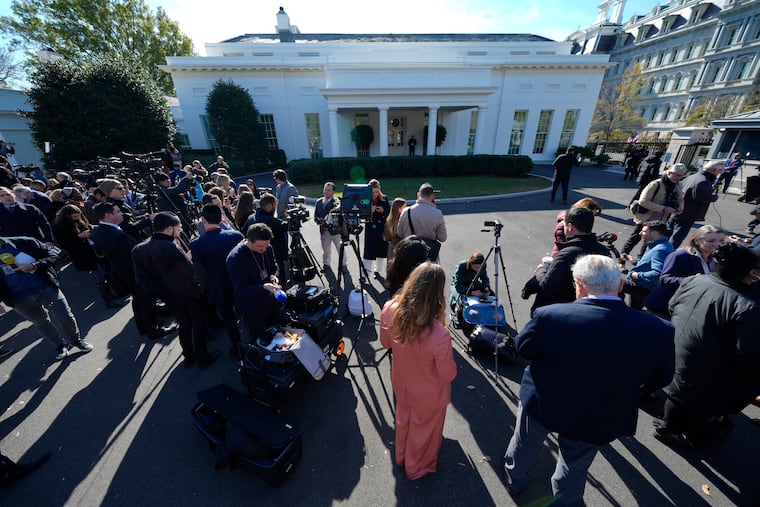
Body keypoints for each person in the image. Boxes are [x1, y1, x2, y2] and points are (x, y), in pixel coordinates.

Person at [503, 254, 675, 504]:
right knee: (575, 465)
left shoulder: (550, 316)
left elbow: (524, 349)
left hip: (544, 401)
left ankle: (514, 480)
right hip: (602, 412)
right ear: (619, 286)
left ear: (578, 284)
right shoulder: (659, 329)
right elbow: (662, 377)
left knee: (524, 444)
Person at [654, 243, 760, 449]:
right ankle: (680, 429)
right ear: (751, 273)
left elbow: (672, 306)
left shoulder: (696, 280)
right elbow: (747, 354)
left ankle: (672, 424)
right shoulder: (748, 306)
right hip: (702, 378)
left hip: (671, 354)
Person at [379, 262, 457, 480]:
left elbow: (385, 344)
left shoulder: (389, 310)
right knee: (423, 432)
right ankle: (416, 467)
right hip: (429, 394)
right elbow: (448, 374)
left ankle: (401, 457)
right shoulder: (439, 335)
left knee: (403, 420)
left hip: (402, 382)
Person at [132, 212, 217, 368]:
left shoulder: (138, 249)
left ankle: (188, 355)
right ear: (170, 229)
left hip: (167, 296)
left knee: (183, 324)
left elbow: (141, 279)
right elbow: (189, 273)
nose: (179, 231)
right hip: (189, 294)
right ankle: (202, 356)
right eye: (178, 229)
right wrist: (190, 263)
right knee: (198, 324)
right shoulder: (171, 248)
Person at [0, 236, 93, 360]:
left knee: (64, 315)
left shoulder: (24, 242)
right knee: (41, 323)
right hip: (18, 298)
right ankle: (60, 345)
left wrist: (34, 265)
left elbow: (53, 254)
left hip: (45, 287)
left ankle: (75, 340)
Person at [91, 202, 174, 338]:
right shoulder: (117, 235)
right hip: (134, 273)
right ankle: (153, 330)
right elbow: (131, 257)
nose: (121, 213)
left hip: (121, 273)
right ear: (108, 215)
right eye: (117, 211)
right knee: (147, 301)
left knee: (138, 300)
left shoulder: (98, 231)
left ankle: (143, 327)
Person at [529, 206, 609, 315]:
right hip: (594, 311)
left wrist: (541, 270)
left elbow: (547, 287)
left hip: (561, 312)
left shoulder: (565, 255)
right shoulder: (604, 251)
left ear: (570, 227)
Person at [190, 204, 245, 356]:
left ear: (203, 220)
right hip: (239, 283)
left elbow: (200, 271)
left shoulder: (196, 244)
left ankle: (237, 346)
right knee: (246, 312)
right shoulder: (236, 235)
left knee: (228, 319)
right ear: (221, 219)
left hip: (217, 287)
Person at [644, 225, 725, 317]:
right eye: (711, 241)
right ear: (697, 240)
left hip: (686, 309)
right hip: (664, 307)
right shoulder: (680, 255)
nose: (717, 244)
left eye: (721, 241)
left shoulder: (714, 258)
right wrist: (691, 280)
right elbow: (665, 279)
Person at [226, 223, 282, 341]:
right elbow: (240, 289)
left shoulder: (267, 248)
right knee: (259, 336)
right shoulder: (236, 258)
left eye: (267, 245)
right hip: (251, 305)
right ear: (248, 241)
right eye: (260, 246)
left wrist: (273, 276)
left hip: (269, 298)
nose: (264, 249)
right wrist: (263, 287)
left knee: (275, 330)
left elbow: (274, 266)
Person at [622, 164, 686, 259]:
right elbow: (643, 201)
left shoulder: (678, 185)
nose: (679, 178)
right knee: (635, 238)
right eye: (677, 175)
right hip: (646, 217)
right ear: (669, 173)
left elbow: (680, 199)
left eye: (682, 176)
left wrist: (680, 208)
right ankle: (622, 260)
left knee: (651, 242)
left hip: (661, 219)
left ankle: (641, 262)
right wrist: (663, 208)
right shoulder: (656, 184)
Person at [620, 222, 673, 309]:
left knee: (614, 284)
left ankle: (617, 309)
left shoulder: (659, 250)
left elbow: (658, 273)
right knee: (635, 309)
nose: (640, 233)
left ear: (654, 233)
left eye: (644, 231)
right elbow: (651, 264)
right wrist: (634, 261)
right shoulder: (664, 245)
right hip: (646, 285)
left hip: (643, 285)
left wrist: (638, 275)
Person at [669, 161, 722, 248]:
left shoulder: (693, 176)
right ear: (713, 170)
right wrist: (714, 197)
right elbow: (700, 198)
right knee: (676, 239)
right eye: (719, 171)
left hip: (677, 210)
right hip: (687, 213)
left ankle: (658, 254)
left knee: (666, 235)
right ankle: (665, 257)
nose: (720, 173)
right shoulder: (703, 181)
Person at [243, 193, 289, 280]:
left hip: (252, 255)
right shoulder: (270, 220)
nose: (275, 208)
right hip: (272, 256)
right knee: (278, 277)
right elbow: (286, 226)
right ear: (269, 207)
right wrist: (290, 217)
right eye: (275, 205)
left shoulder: (251, 217)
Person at [396, 183, 447, 258]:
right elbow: (442, 238)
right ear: (432, 196)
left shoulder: (406, 211)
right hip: (428, 254)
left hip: (409, 254)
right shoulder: (437, 213)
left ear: (418, 195)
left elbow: (400, 233)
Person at [52, 204, 97, 272]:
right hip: (79, 252)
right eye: (75, 216)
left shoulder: (78, 219)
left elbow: (86, 226)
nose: (78, 218)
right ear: (67, 216)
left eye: (79, 215)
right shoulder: (59, 226)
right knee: (94, 269)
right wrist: (79, 236)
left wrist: (92, 228)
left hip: (90, 248)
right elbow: (64, 243)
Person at [314, 181, 344, 269]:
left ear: (333, 192)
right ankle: (326, 264)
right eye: (325, 190)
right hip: (324, 231)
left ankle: (344, 265)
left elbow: (338, 216)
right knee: (326, 250)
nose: (326, 192)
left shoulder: (337, 203)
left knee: (340, 249)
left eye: (328, 190)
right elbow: (316, 215)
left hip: (336, 231)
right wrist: (319, 221)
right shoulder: (319, 201)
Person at [363, 179, 390, 275]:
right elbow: (362, 213)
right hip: (371, 228)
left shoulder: (384, 198)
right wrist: (370, 210)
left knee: (381, 250)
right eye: (373, 192)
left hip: (382, 228)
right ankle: (366, 273)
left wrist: (383, 211)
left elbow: (389, 214)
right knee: (369, 251)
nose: (375, 194)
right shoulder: (365, 199)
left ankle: (378, 270)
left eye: (377, 192)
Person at [384, 198, 407, 264]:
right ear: (399, 209)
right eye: (404, 207)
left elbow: (386, 236)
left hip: (392, 249)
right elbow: (400, 234)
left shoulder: (389, 220)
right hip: (398, 250)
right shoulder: (399, 221)